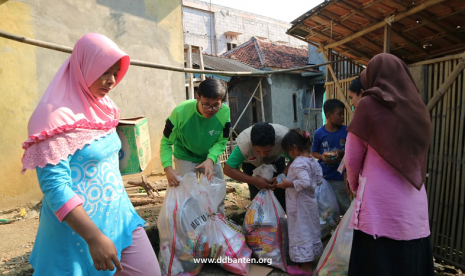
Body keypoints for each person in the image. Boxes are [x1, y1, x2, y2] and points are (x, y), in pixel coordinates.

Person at [21, 33, 160, 276]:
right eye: (104, 71)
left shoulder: (105, 107)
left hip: (120, 215)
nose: (111, 80)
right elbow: (55, 186)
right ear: (84, 66)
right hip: (79, 232)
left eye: (116, 72)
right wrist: (93, 236)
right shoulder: (52, 117)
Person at [345, 53, 433, 276]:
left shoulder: (368, 105)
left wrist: (355, 187)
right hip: (414, 206)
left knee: (376, 264)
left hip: (378, 206)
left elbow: (352, 157)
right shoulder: (418, 109)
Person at [160, 78, 230, 211]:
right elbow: (166, 142)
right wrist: (168, 168)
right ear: (197, 97)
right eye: (206, 104)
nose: (210, 109)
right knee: (185, 198)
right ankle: (190, 231)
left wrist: (211, 159)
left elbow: (222, 140)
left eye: (216, 105)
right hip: (185, 156)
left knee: (217, 194)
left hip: (209, 156)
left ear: (222, 101)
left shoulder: (224, 112)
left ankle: (218, 227)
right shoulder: (180, 112)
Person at [277, 129, 323, 276]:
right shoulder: (311, 160)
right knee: (309, 230)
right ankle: (308, 259)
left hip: (299, 205)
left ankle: (305, 268)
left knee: (301, 231)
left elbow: (304, 181)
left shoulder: (297, 163)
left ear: (294, 148)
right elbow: (319, 179)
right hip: (310, 203)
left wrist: (288, 184)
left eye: (288, 152)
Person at [223, 122, 290, 211]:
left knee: (282, 195)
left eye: (267, 151)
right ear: (251, 143)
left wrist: (282, 175)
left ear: (275, 141)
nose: (263, 155)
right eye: (258, 151)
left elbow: (297, 159)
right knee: (258, 200)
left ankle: (282, 220)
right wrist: (255, 181)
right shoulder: (245, 145)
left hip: (277, 161)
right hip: (251, 165)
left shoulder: (285, 140)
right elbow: (228, 169)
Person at [311, 99, 351, 214]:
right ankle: (331, 230)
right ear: (328, 115)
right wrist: (322, 157)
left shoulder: (346, 131)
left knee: (345, 206)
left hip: (340, 177)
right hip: (324, 178)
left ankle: (348, 231)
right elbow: (313, 152)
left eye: (343, 114)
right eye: (340, 114)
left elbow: (350, 153)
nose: (343, 117)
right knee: (327, 210)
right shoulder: (319, 133)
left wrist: (341, 153)